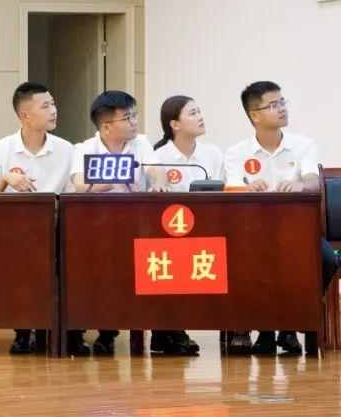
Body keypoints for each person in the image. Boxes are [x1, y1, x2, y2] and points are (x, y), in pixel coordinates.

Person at [223, 81, 337, 356]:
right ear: (255, 115)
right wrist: (248, 188)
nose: (282, 109)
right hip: (252, 233)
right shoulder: (237, 153)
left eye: (283, 102)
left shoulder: (302, 145)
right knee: (249, 261)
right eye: (274, 105)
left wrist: (298, 185)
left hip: (297, 233)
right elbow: (230, 188)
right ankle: (265, 330)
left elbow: (313, 180)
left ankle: (290, 324)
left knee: (327, 260)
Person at [69, 90, 167, 355]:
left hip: (133, 224)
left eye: (135, 115)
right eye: (127, 118)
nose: (134, 122)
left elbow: (155, 169)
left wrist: (158, 183)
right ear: (106, 127)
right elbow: (80, 185)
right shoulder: (84, 149)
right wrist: (117, 178)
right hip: (94, 226)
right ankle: (84, 329)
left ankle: (110, 332)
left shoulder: (141, 143)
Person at [0, 82, 71, 355]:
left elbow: (71, 196)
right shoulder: (0, 148)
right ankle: (22, 329)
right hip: (12, 231)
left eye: (53, 104)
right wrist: (5, 179)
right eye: (46, 106)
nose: (54, 110)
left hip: (54, 229)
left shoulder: (66, 149)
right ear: (25, 115)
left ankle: (58, 329)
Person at [149, 95, 224, 356]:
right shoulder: (158, 157)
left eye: (199, 111)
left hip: (208, 229)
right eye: (192, 113)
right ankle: (168, 330)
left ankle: (235, 328)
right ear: (175, 124)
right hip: (169, 233)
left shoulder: (212, 153)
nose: (200, 117)